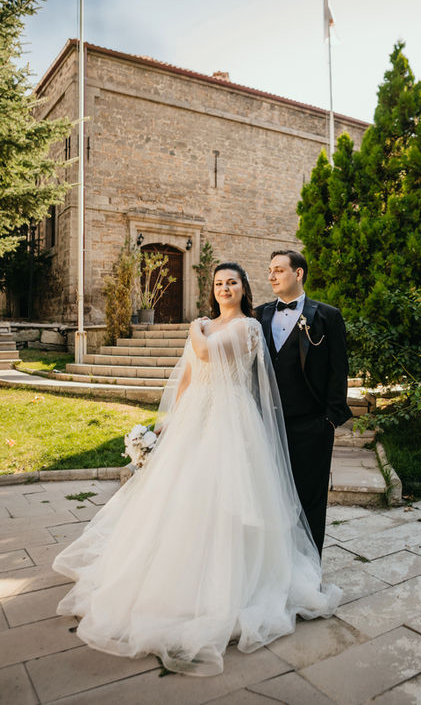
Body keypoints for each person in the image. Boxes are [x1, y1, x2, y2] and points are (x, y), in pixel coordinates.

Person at [52, 262, 341, 677]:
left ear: (244, 289)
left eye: (232, 282)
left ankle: (231, 584)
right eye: (219, 283)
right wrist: (166, 421)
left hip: (232, 419)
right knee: (179, 498)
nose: (225, 288)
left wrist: (194, 328)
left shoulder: (247, 327)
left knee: (226, 497)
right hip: (196, 416)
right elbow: (189, 374)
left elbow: (206, 353)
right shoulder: (207, 325)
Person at [255, 250, 352, 556]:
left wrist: (329, 421)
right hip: (266, 424)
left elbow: (339, 370)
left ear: (298, 273)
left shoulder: (327, 316)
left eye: (279, 270)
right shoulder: (258, 315)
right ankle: (275, 563)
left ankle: (308, 567)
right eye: (270, 270)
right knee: (267, 499)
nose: (271, 276)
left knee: (310, 502)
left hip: (311, 426)